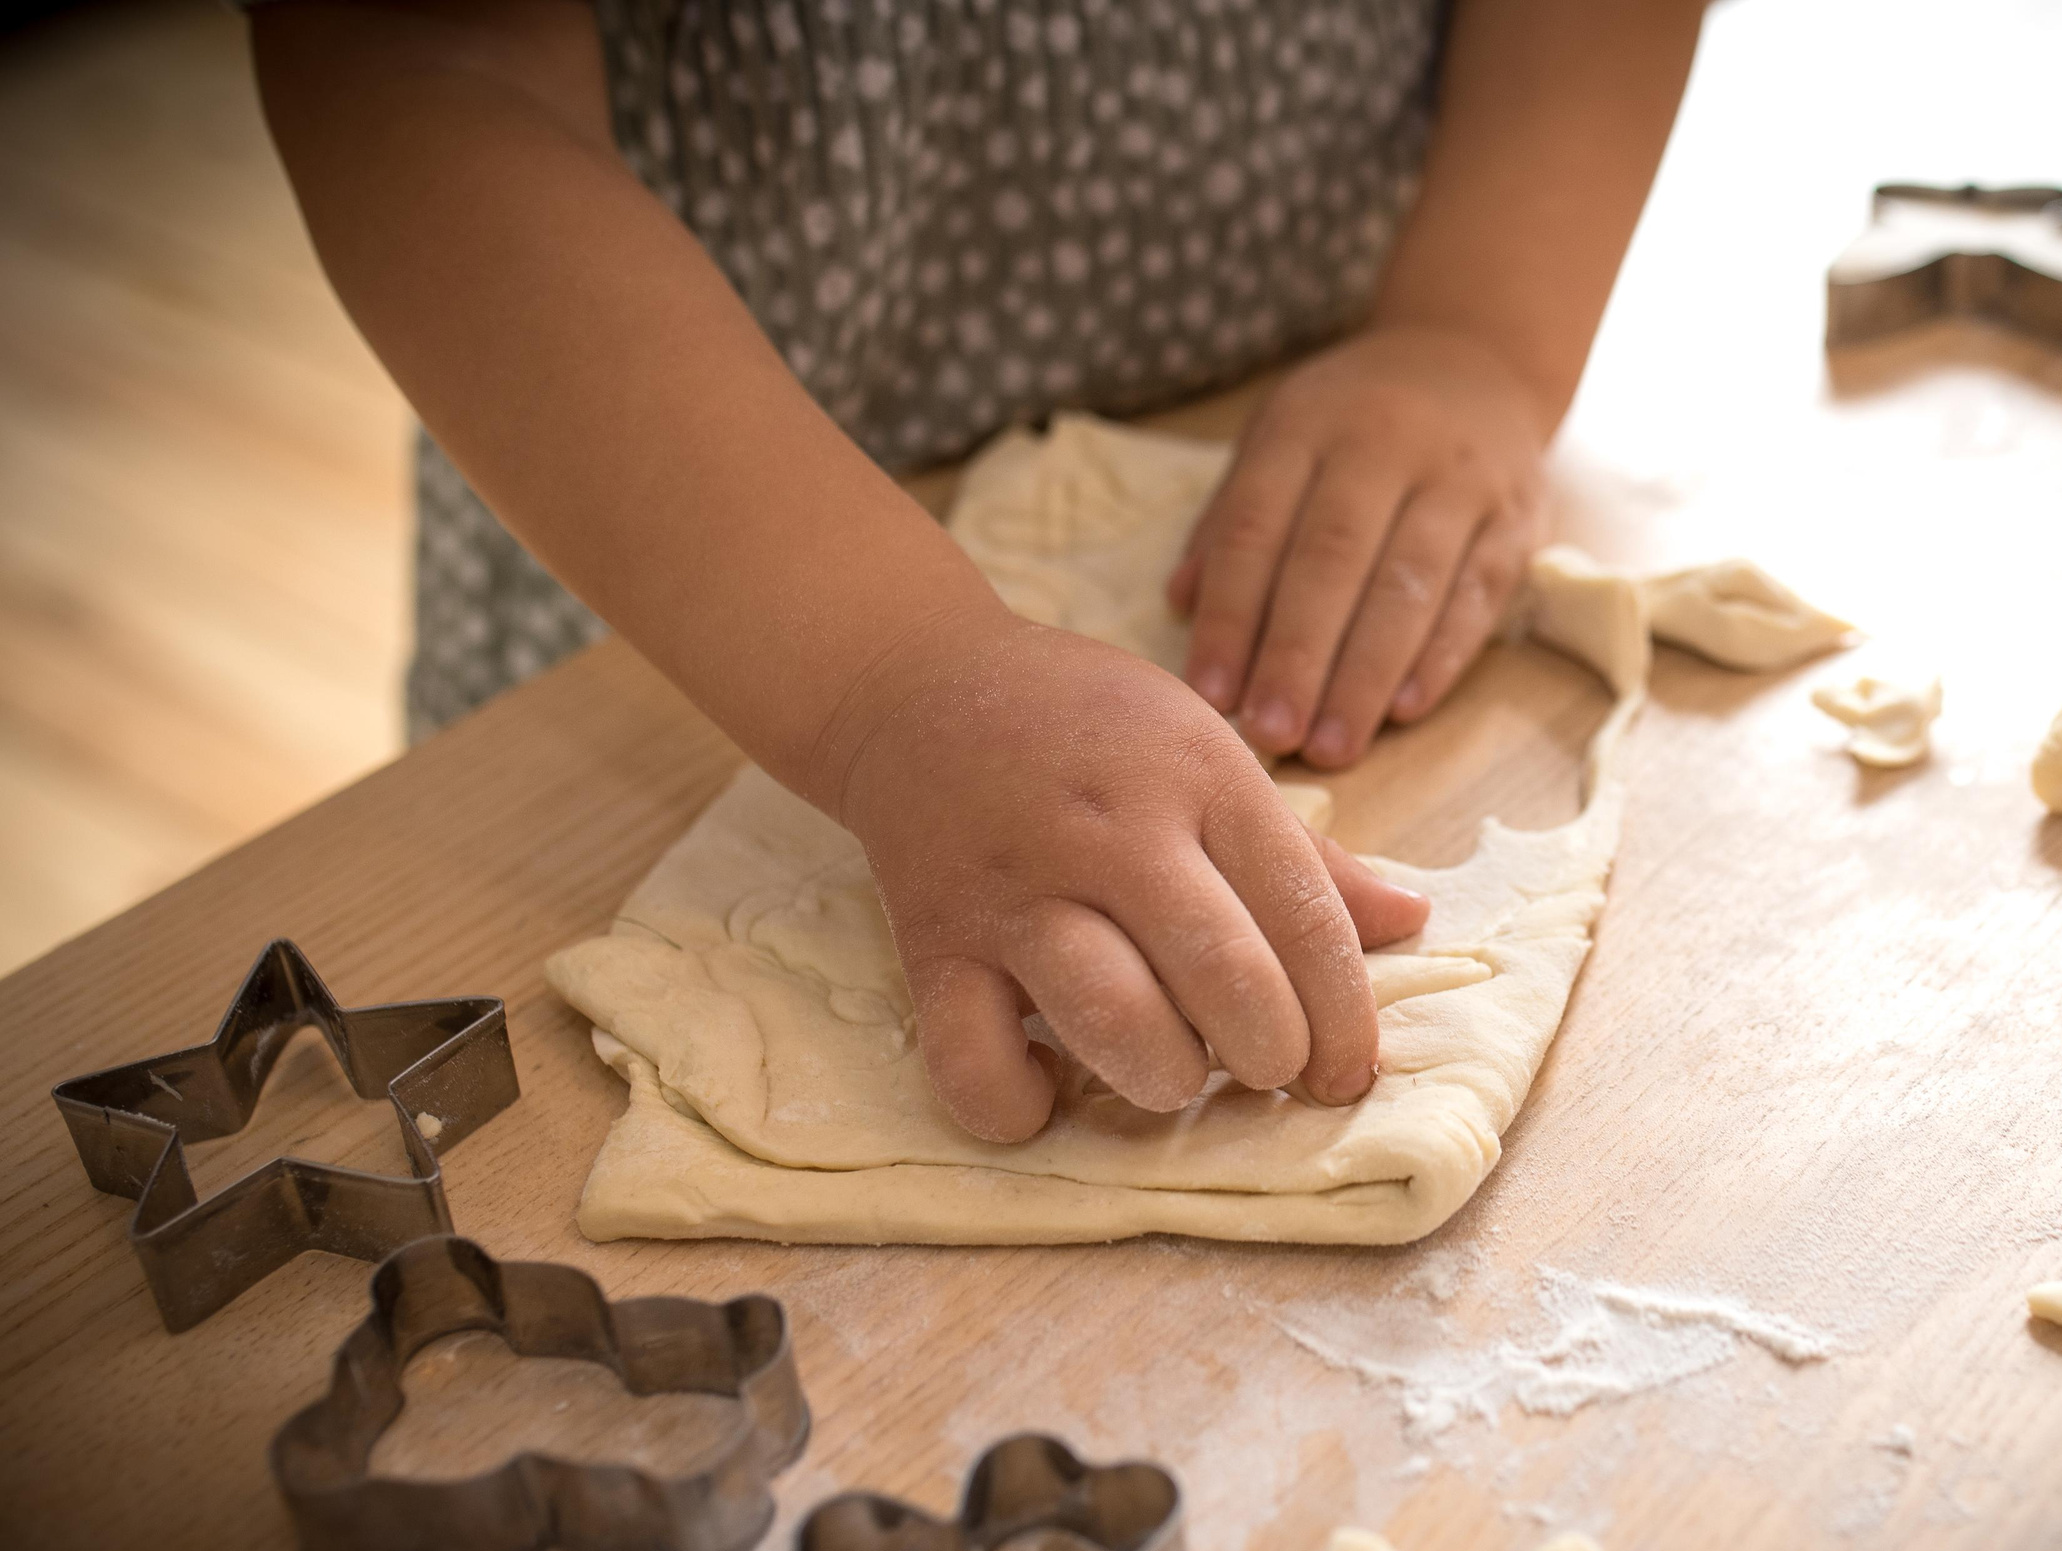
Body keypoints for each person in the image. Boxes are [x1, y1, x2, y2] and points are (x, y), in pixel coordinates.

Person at [249, 0, 1703, 1143]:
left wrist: (1475, 334)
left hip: (1302, 403)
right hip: (678, 552)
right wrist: (891, 676)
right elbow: (418, 66)